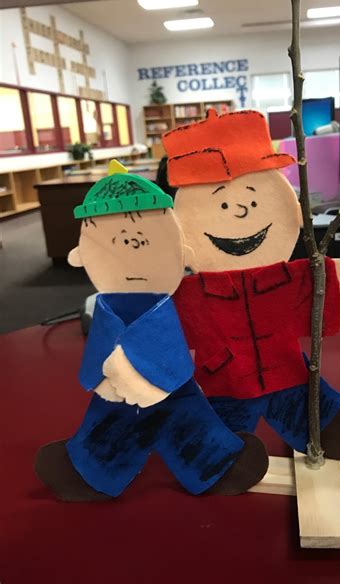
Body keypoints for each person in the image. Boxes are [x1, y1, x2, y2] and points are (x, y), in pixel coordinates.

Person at [35, 160, 268, 501]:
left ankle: (90, 467)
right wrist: (110, 372)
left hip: (165, 383)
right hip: (127, 390)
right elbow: (104, 336)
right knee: (144, 415)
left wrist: (131, 368)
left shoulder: (162, 304)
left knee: (163, 416)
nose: (131, 244)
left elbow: (162, 336)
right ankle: (214, 464)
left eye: (143, 239)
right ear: (80, 255)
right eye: (117, 241)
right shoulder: (108, 305)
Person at [162, 109, 340, 459]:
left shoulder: (290, 279)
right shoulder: (192, 295)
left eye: (253, 201)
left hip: (287, 373)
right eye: (222, 203)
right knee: (220, 431)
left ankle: (326, 427)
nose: (240, 211)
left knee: (307, 403)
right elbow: (165, 330)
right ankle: (221, 457)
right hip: (226, 381)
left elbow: (324, 290)